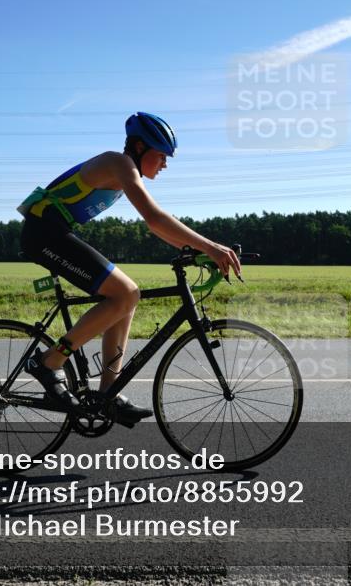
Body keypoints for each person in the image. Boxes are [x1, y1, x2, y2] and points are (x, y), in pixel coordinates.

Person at [16, 112, 242, 427]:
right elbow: (154, 217)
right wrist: (210, 247)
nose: (164, 164)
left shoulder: (124, 173)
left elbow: (158, 228)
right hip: (43, 234)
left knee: (127, 297)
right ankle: (48, 362)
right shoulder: (119, 164)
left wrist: (192, 251)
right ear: (138, 147)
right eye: (161, 155)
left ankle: (108, 393)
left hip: (53, 233)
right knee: (125, 293)